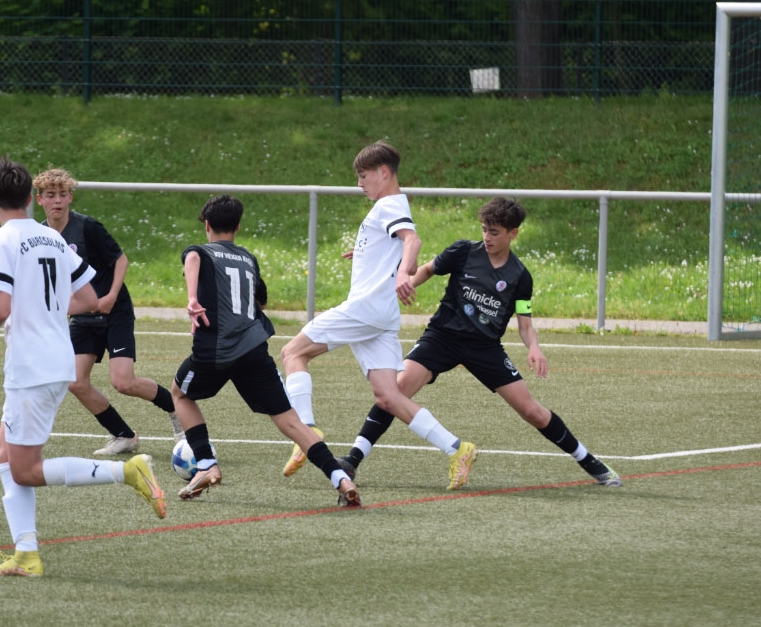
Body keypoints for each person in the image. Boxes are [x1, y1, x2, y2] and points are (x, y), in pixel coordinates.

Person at [336, 197, 622, 487]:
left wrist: (534, 347)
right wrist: (396, 282)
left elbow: (525, 324)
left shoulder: (520, 277)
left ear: (513, 233)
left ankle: (590, 462)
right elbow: (427, 269)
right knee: (394, 391)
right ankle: (353, 459)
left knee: (531, 411)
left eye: (494, 232)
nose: (487, 237)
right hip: (442, 337)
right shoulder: (462, 251)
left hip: (485, 348)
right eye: (484, 229)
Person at [0, 156, 166, 578]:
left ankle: (126, 471)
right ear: (31, 197)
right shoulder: (52, 238)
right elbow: (89, 299)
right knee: (5, 454)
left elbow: (0, 307)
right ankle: (26, 554)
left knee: (25, 469)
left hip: (31, 367)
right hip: (57, 358)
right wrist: (47, 311)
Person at [279, 141, 479, 491]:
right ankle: (458, 449)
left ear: (383, 172)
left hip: (366, 308)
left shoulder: (389, 204)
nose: (360, 184)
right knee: (389, 397)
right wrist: (366, 252)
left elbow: (412, 241)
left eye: (363, 176)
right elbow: (399, 246)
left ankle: (306, 432)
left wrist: (402, 274)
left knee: (292, 352)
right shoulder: (394, 205)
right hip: (381, 315)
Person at [171, 194, 360, 506]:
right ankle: (341, 479)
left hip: (216, 350)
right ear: (238, 227)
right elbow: (260, 301)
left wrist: (193, 298)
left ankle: (206, 464)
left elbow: (192, 258)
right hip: (254, 350)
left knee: (180, 393)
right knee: (291, 422)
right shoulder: (248, 259)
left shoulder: (200, 251)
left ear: (207, 225)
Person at [33, 167, 182, 456]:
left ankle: (177, 409)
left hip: (115, 311)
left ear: (71, 197)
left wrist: (112, 295)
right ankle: (124, 436)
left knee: (123, 382)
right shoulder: (40, 237)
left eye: (62, 194)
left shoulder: (87, 227)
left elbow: (121, 260)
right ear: (39, 200)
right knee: (75, 382)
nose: (57, 201)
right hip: (84, 316)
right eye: (50, 195)